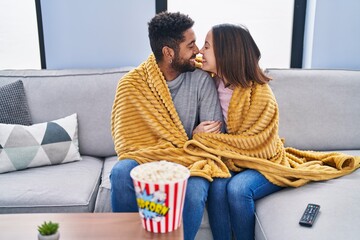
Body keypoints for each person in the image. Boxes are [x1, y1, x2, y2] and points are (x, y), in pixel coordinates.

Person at [181, 23, 360, 240]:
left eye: (207, 46)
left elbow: (257, 146)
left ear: (226, 54)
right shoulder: (213, 79)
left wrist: (203, 138)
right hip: (232, 159)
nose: (200, 51)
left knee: (238, 189)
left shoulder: (260, 95)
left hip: (265, 160)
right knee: (218, 186)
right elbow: (176, 63)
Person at [110, 12, 232, 240]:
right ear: (168, 53)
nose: (197, 50)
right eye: (190, 45)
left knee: (195, 191)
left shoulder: (201, 79)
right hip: (148, 156)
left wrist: (194, 140)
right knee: (119, 173)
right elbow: (127, 143)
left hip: (190, 158)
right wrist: (193, 135)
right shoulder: (132, 84)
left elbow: (215, 136)